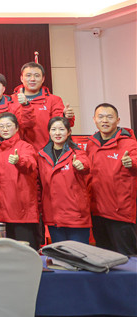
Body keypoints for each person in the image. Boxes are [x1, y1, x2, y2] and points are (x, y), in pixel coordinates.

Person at [87, 103, 137, 255]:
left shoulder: (129, 143)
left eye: (109, 117)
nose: (105, 121)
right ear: (94, 119)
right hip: (97, 212)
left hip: (121, 213)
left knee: (128, 259)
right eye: (101, 117)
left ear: (118, 120)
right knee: (104, 257)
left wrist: (132, 163)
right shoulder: (91, 144)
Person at [36, 116, 91, 244]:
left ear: (69, 132)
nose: (57, 133)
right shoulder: (42, 155)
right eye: (53, 129)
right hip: (53, 217)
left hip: (76, 216)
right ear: (49, 132)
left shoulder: (77, 153)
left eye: (61, 129)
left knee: (79, 254)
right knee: (60, 255)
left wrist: (81, 165)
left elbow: (85, 164)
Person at [0, 112, 40, 249]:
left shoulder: (25, 147)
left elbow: (31, 164)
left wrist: (19, 161)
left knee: (25, 252)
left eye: (8, 125)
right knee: (6, 254)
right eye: (1, 126)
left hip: (22, 211)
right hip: (1, 212)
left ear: (17, 128)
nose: (5, 129)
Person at [14, 62, 75, 150]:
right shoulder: (11, 100)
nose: (32, 79)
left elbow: (60, 125)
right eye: (28, 75)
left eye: (37, 76)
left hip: (45, 151)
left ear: (43, 79)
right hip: (18, 152)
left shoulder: (53, 100)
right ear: (21, 78)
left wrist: (66, 116)